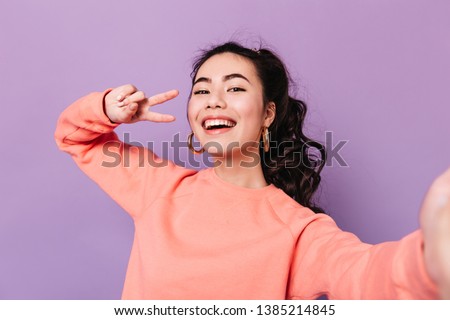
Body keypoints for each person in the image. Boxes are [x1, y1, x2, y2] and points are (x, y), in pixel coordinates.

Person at [55, 42, 450, 299]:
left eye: (235, 88)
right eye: (203, 89)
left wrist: (428, 259)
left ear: (267, 114)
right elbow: (76, 139)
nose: (214, 101)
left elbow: (365, 273)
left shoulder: (299, 230)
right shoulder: (159, 188)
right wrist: (106, 108)